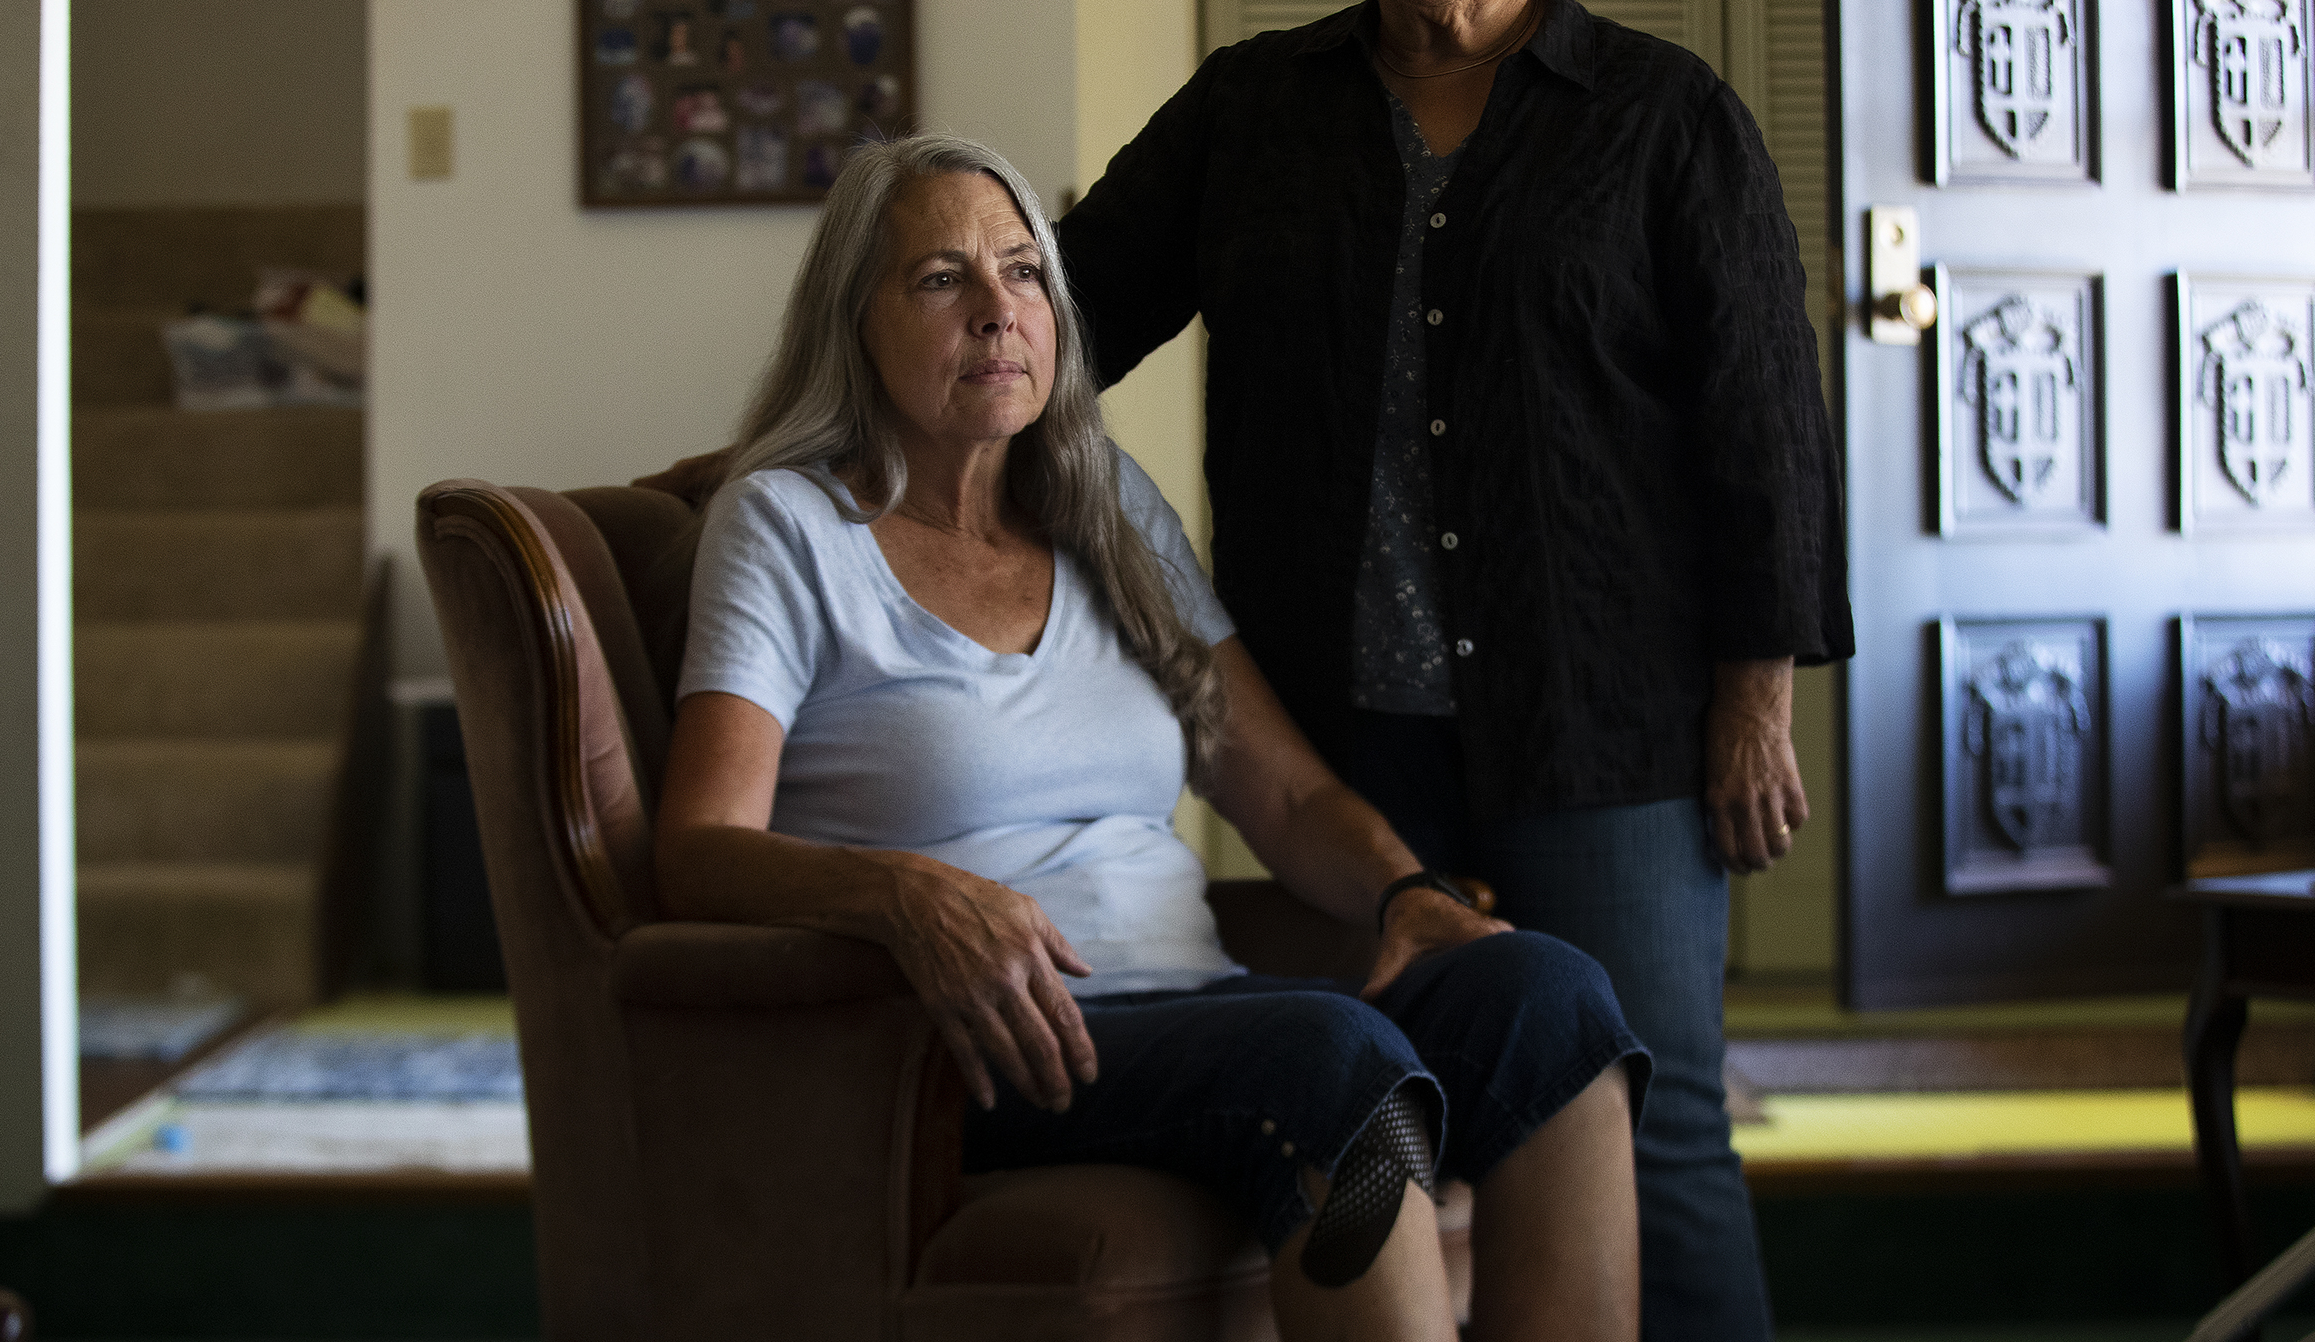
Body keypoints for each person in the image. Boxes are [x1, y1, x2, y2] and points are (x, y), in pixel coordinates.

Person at [1055, 0, 1851, 1342]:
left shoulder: (1665, 120)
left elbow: (1765, 427)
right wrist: (842, 438)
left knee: (1647, 1112)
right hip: (1338, 750)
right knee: (1376, 1118)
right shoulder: (1249, 114)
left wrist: (1753, 697)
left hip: (1605, 729)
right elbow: (1047, 320)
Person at [654, 133, 1649, 1342]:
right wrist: (902, 893)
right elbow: (698, 846)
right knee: (1336, 1066)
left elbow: (1278, 795)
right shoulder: (788, 528)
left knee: (1550, 998)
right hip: (987, 1044)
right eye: (940, 279)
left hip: (1204, 1010)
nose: (995, 311)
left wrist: (1406, 894)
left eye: (1024, 272)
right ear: (851, 318)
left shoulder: (1103, 506)